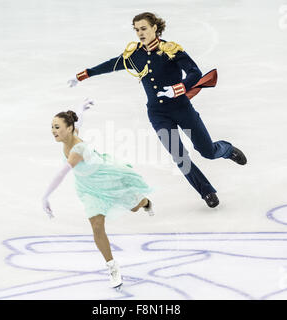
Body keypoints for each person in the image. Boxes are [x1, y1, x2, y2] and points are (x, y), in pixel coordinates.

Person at [67, 12, 247, 208]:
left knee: (207, 151)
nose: (140, 33)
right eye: (136, 30)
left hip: (182, 109)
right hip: (158, 114)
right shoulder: (134, 55)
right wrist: (83, 75)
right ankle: (206, 191)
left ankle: (226, 150)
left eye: (143, 28)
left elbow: (195, 72)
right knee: (180, 158)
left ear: (155, 27)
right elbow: (111, 65)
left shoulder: (170, 50)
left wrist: (178, 88)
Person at [42, 99, 153, 289]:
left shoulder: (77, 149)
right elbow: (79, 122)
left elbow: (61, 174)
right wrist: (80, 109)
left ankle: (145, 202)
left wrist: (45, 196)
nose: (53, 130)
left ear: (68, 128)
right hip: (88, 188)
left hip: (108, 178)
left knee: (135, 206)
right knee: (96, 225)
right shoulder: (72, 133)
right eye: (52, 126)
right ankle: (112, 266)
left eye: (57, 127)